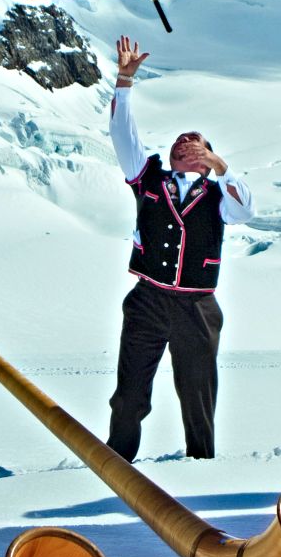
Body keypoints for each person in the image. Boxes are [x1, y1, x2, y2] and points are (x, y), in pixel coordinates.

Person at [105, 35, 255, 461]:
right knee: (129, 392)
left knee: (198, 396)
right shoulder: (148, 175)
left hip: (197, 307)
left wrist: (220, 166)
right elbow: (122, 133)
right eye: (180, 141)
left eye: (197, 142)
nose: (185, 143)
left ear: (208, 154)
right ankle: (117, 461)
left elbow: (245, 211)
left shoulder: (219, 192)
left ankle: (201, 466)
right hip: (148, 299)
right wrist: (124, 81)